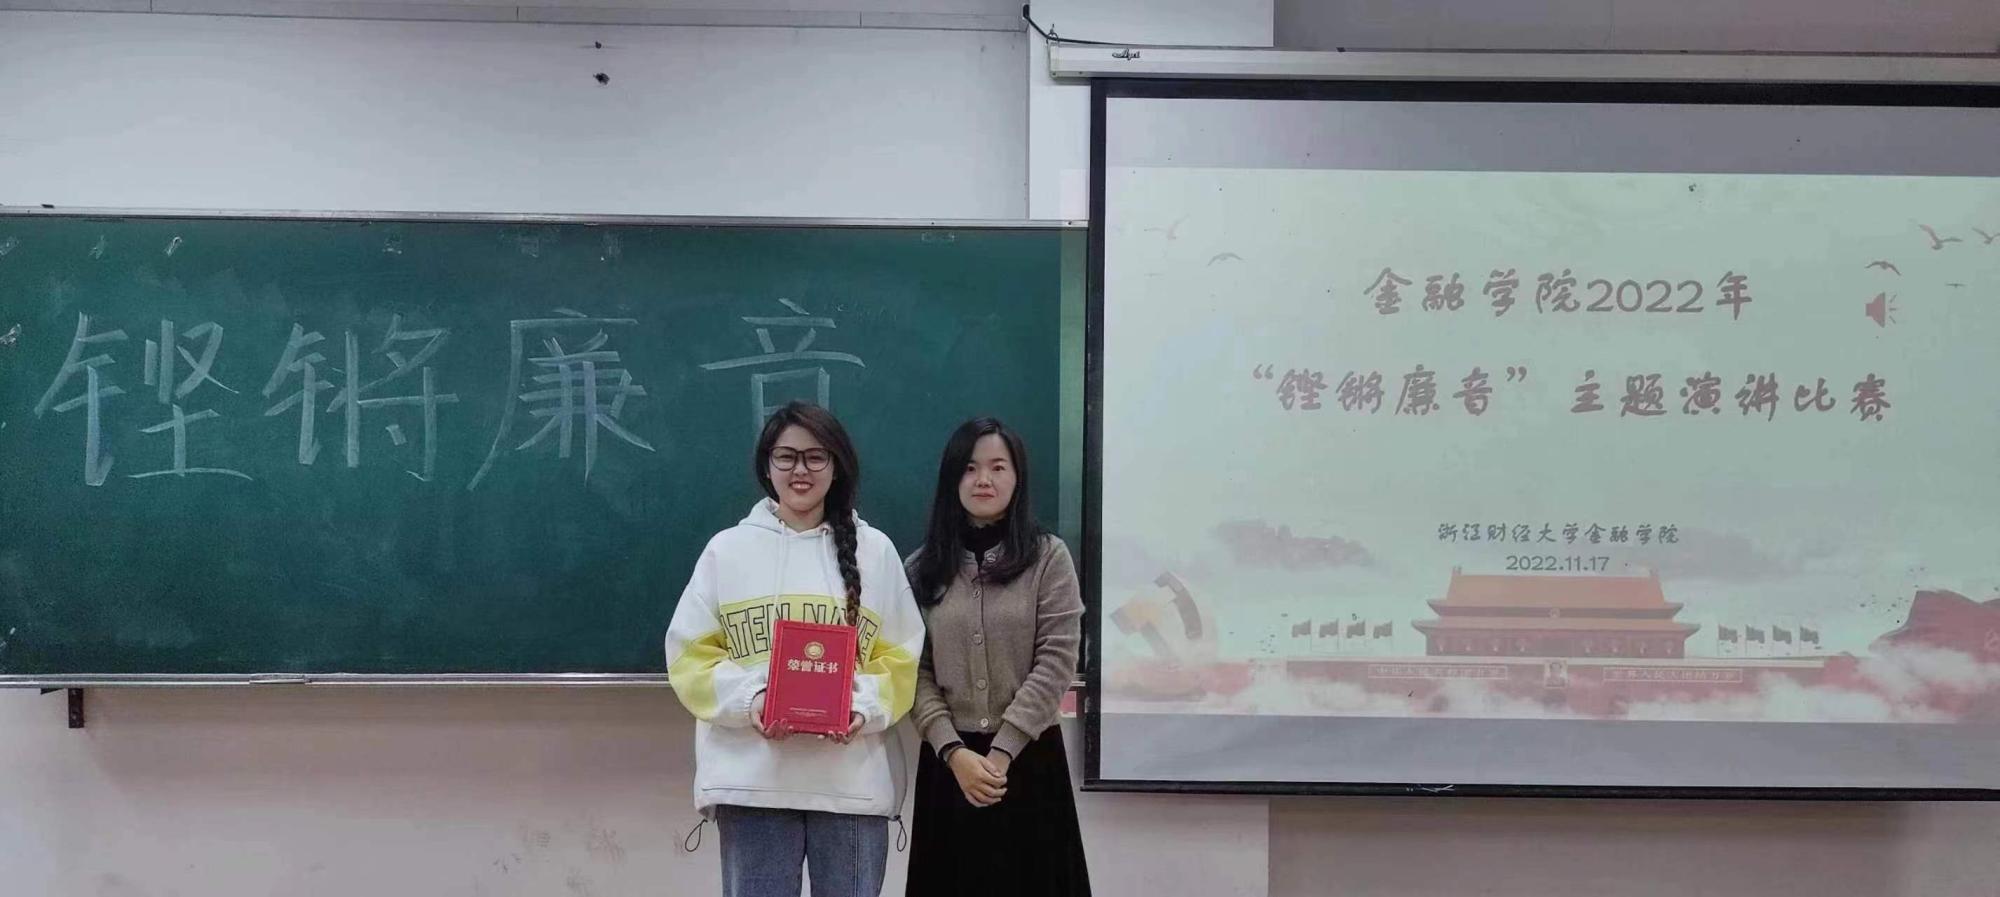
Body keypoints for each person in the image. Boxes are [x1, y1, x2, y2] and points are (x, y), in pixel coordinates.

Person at [664, 401, 925, 897]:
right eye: (786, 457)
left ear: (836, 465)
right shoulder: (727, 550)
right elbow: (688, 656)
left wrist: (859, 707)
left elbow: (902, 658)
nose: (800, 470)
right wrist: (753, 700)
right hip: (752, 784)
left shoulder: (876, 552)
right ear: (767, 466)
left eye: (815, 456)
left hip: (851, 788)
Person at [904, 417, 1090, 895]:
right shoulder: (921, 569)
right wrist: (954, 752)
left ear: (1017, 477)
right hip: (951, 769)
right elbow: (914, 671)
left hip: (1030, 763)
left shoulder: (1049, 558)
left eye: (997, 467)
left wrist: (1002, 751)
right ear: (952, 478)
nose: (983, 479)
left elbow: (1057, 660)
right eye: (969, 468)